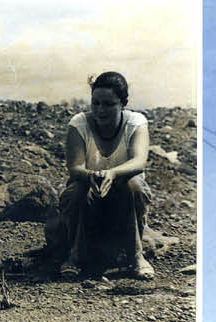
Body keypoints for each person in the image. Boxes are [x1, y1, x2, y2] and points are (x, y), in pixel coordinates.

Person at [57, 71, 155, 280]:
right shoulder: (79, 124)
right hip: (91, 200)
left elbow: (139, 161)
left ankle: (136, 256)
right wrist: (93, 176)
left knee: (135, 185)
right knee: (77, 189)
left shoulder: (136, 123)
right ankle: (75, 255)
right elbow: (75, 167)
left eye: (109, 104)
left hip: (124, 203)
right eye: (96, 103)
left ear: (123, 103)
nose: (101, 110)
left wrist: (113, 173)